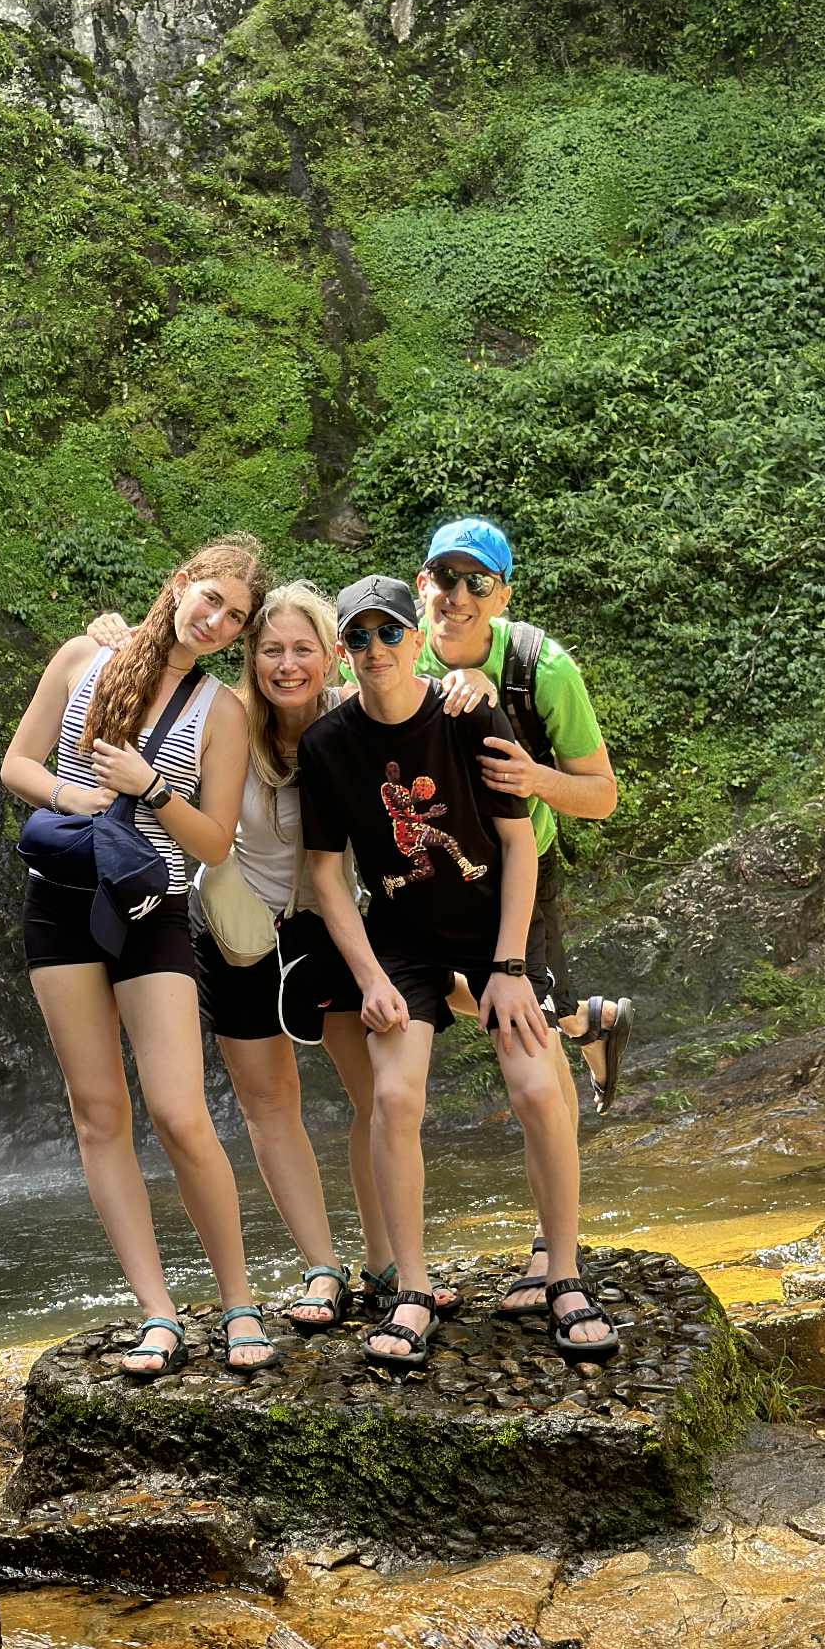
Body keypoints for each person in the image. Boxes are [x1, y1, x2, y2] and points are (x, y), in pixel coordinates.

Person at [86, 584, 459, 1332]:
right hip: (236, 930)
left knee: (372, 1098)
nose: (287, 666)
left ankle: (384, 1262)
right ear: (251, 658)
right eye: (270, 650)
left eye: (302, 650)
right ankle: (322, 1267)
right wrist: (119, 637)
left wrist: (465, 678)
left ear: (331, 656)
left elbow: (424, 688)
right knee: (269, 1104)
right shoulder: (224, 719)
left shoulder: (355, 717)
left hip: (336, 926)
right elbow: (159, 670)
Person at [300, 573, 619, 1368]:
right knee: (394, 1096)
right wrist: (370, 977)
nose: (376, 648)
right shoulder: (327, 744)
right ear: (343, 651)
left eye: (389, 632)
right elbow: (325, 875)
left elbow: (518, 843)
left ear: (416, 639)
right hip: (401, 942)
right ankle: (411, 1291)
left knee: (535, 1085)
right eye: (359, 636)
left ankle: (565, 1275)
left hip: (495, 929)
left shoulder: (469, 713)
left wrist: (508, 966)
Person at [1, 536, 279, 1378]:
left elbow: (215, 842)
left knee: (179, 1111)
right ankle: (157, 1311)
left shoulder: (221, 712)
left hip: (152, 906)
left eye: (235, 618)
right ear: (181, 583)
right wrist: (76, 795)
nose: (217, 621)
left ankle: (238, 1304)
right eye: (211, 599)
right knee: (98, 1113)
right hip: (59, 902)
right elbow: (18, 764)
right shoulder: (84, 657)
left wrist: (149, 787)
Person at [411, 518, 631, 1316]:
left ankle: (553, 1249)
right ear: (422, 583)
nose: (458, 596)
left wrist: (536, 778)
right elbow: (294, 667)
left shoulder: (544, 668)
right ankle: (584, 1020)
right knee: (490, 1009)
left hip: (517, 876)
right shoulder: (392, 644)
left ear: (502, 595)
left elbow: (602, 795)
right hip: (421, 879)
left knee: (525, 1052)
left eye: (478, 582)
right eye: (445, 578)